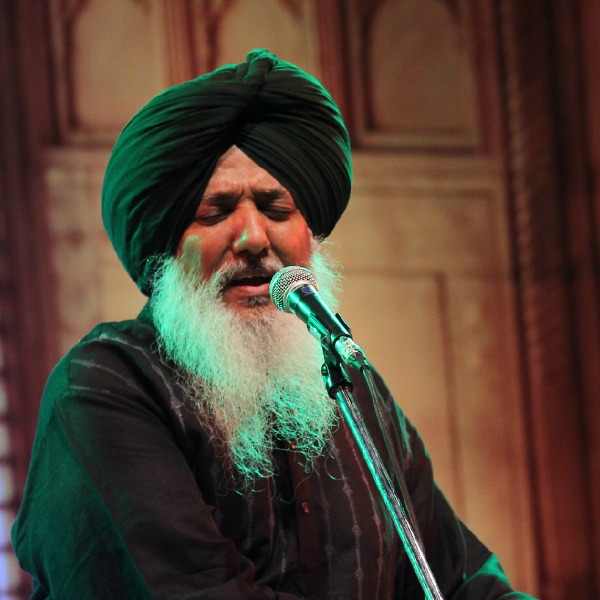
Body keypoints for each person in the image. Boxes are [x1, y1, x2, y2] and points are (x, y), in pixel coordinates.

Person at [12, 49, 535, 599]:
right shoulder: (105, 387)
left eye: (277, 209)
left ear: (310, 235)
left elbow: (459, 579)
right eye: (215, 212)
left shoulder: (352, 392)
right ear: (165, 247)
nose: (254, 239)